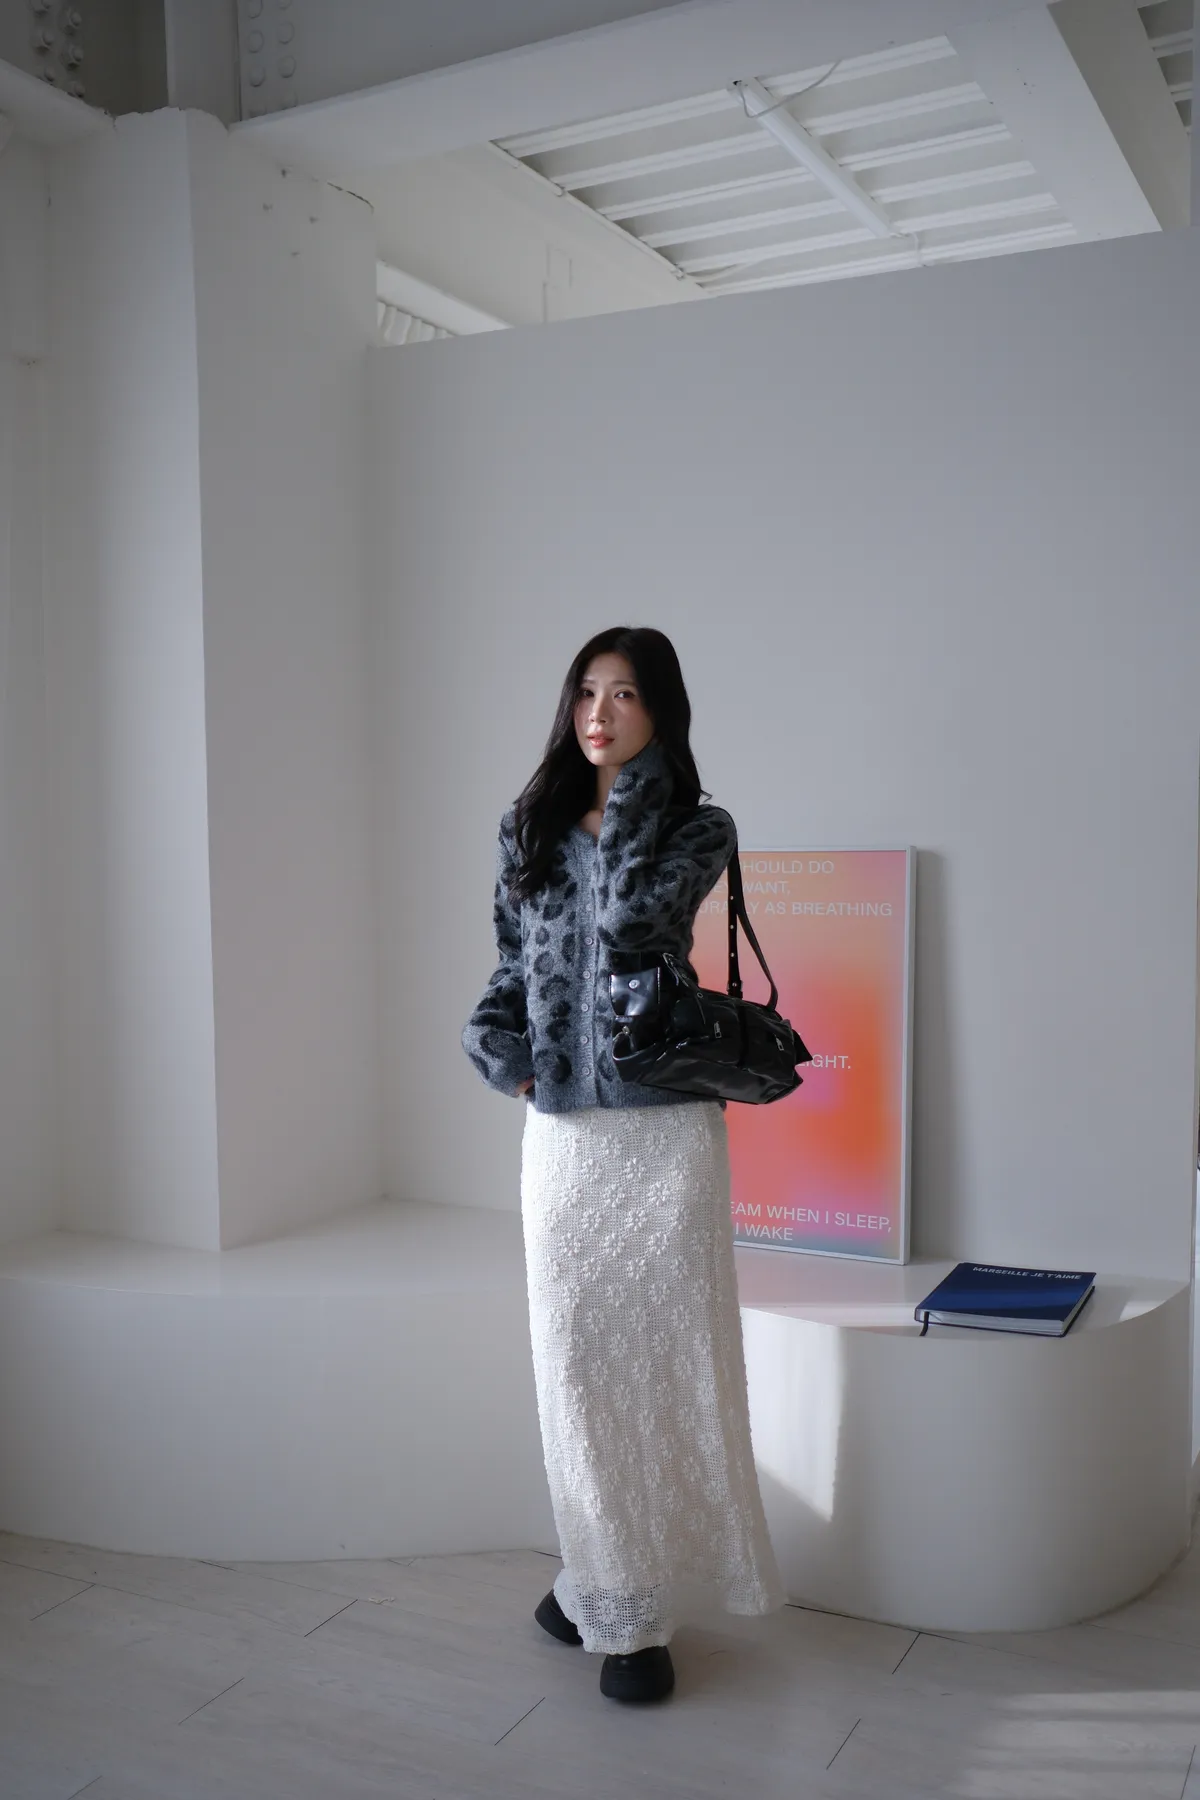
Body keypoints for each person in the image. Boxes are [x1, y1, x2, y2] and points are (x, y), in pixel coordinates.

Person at [461, 625, 783, 1704]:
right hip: (563, 1138)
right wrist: (501, 1047)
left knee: (667, 1361)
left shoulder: (696, 827)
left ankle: (616, 1602)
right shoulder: (527, 829)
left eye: (627, 694)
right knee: (578, 1366)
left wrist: (632, 805)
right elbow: (511, 964)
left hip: (666, 1132)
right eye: (587, 692)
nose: (599, 713)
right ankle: (609, 1595)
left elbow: (635, 920)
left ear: (661, 713)